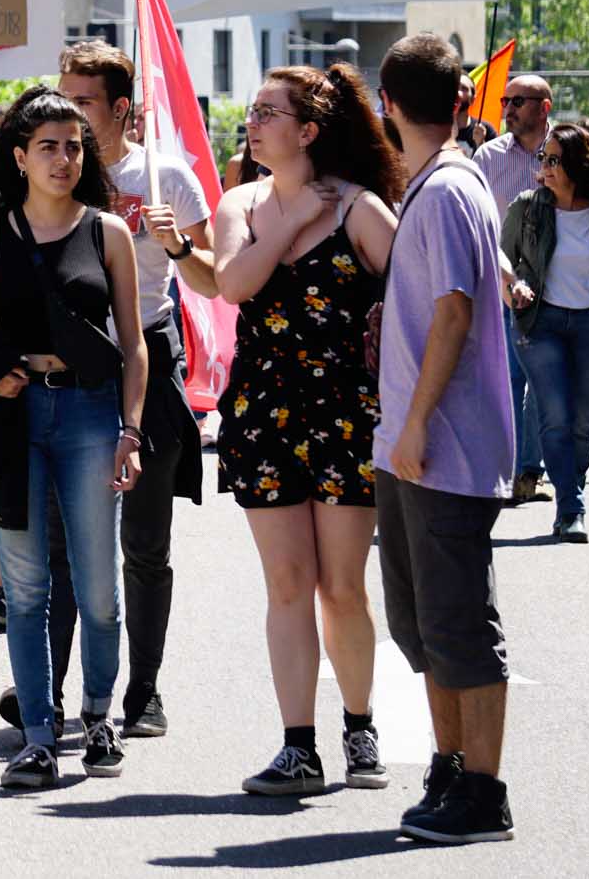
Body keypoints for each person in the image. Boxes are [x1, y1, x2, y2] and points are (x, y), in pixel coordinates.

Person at [212, 64, 403, 794]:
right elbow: (234, 284)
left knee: (342, 586)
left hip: (345, 414)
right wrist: (289, 220)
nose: (254, 122)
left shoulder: (360, 208)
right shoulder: (242, 203)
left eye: (269, 111)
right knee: (287, 581)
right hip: (263, 414)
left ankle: (359, 724)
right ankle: (298, 745)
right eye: (254, 111)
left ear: (310, 130)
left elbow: (415, 291)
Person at [0, 86, 146, 790]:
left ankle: (97, 716)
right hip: (15, 420)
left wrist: (132, 429)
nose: (64, 158)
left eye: (74, 145)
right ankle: (37, 733)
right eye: (48, 146)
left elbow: (134, 340)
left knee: (97, 587)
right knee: (27, 589)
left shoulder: (109, 231)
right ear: (20, 156)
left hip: (93, 414)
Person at [374, 33, 517, 845]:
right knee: (422, 624)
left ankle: (483, 791)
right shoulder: (436, 186)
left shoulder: (448, 190)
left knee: (459, 625)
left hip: (443, 445)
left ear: (388, 103)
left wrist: (420, 419)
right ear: (461, 98)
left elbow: (456, 312)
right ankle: (451, 764)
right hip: (414, 439)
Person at [59, 42, 223, 741]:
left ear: (121, 107)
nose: (66, 114)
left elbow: (217, 279)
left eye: (82, 102)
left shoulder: (165, 177)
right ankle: (45, 686)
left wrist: (180, 247)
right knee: (64, 542)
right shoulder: (51, 168)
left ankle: (144, 689)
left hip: (145, 356)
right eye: (60, 97)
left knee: (144, 543)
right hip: (66, 363)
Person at [501, 124, 589, 543]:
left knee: (582, 420)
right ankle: (571, 507)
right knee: (553, 416)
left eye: (554, 160)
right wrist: (515, 286)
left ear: (577, 165)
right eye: (544, 159)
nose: (545, 167)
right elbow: (502, 258)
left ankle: (569, 489)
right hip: (541, 323)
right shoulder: (526, 208)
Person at [473, 74, 554, 505]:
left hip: (554, 286)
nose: (507, 106)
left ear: (544, 106)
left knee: (542, 382)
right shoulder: (486, 156)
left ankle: (529, 471)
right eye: (505, 99)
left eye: (518, 100)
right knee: (506, 379)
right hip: (501, 285)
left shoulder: (565, 150)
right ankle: (506, 472)